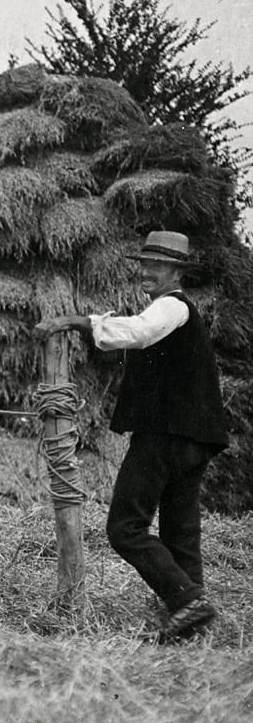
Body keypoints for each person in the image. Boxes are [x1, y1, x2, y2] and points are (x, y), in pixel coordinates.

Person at [34, 231, 228, 643]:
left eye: (155, 265)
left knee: (125, 528)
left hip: (165, 436)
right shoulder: (172, 316)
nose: (144, 271)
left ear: (176, 272)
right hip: (194, 439)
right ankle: (189, 623)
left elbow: (136, 333)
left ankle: (187, 600)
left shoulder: (170, 309)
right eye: (142, 264)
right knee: (180, 530)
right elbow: (136, 339)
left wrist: (76, 321)